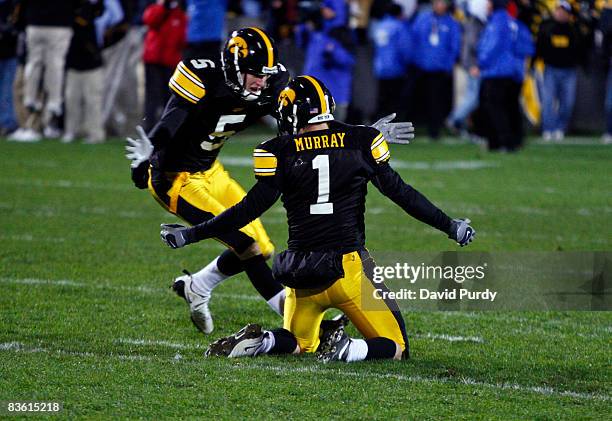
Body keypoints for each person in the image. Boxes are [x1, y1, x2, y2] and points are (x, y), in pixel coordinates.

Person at [159, 75, 475, 362]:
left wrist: (191, 235)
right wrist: (451, 226)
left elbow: (246, 210)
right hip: (346, 271)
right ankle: (348, 348)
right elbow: (403, 195)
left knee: (298, 342)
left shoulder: (277, 151)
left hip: (300, 275)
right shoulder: (361, 143)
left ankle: (265, 342)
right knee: (396, 346)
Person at [8, 0, 78, 142]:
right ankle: (54, 102)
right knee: (56, 65)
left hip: (36, 22)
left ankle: (30, 98)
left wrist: (21, 21)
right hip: (60, 24)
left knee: (34, 63)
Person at [478, 0, 533, 151]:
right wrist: (516, 63)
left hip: (496, 71)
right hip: (514, 72)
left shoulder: (497, 23)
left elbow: (492, 46)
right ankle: (515, 139)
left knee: (495, 107)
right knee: (511, 106)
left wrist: (481, 62)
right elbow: (527, 47)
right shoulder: (514, 23)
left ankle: (501, 141)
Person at [410, 0, 461, 140]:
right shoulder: (422, 19)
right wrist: (416, 60)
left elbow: (454, 46)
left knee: (437, 101)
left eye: (442, 3)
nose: (440, 5)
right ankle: (417, 128)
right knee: (420, 99)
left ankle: (435, 130)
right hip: (421, 67)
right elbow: (413, 39)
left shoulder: (451, 23)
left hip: (440, 69)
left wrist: (447, 65)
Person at [536, 0, 584, 142]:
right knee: (548, 101)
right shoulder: (546, 27)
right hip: (551, 69)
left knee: (567, 102)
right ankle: (548, 129)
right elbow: (540, 45)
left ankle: (560, 128)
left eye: (564, 11)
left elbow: (580, 48)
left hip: (569, 70)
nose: (560, 13)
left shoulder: (573, 29)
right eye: (558, 10)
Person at [62, 0, 106, 144]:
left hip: (92, 63)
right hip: (74, 62)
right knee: (71, 100)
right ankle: (71, 131)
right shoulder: (71, 9)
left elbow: (99, 12)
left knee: (92, 100)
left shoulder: (93, 8)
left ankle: (95, 133)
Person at [141, 0, 187, 131]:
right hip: (153, 59)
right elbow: (150, 20)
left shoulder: (179, 15)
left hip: (170, 62)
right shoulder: (156, 8)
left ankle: (166, 129)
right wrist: (163, 7)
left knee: (169, 97)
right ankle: (149, 129)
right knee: (152, 97)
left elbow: (182, 40)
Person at [446, 0, 487, 136]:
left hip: (472, 65)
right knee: (473, 97)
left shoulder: (473, 23)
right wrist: (472, 65)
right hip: (474, 66)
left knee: (472, 97)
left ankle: (463, 124)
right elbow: (473, 46)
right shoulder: (475, 24)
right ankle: (454, 119)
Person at [370, 3, 412, 120]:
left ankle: (378, 127)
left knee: (382, 99)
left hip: (380, 68)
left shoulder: (379, 25)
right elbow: (404, 48)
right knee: (395, 101)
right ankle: (394, 127)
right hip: (396, 68)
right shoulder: (399, 26)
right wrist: (407, 63)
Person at [0, 0, 19, 136]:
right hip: (9, 51)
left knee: (8, 90)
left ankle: (8, 123)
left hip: (10, 52)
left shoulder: (14, 4)